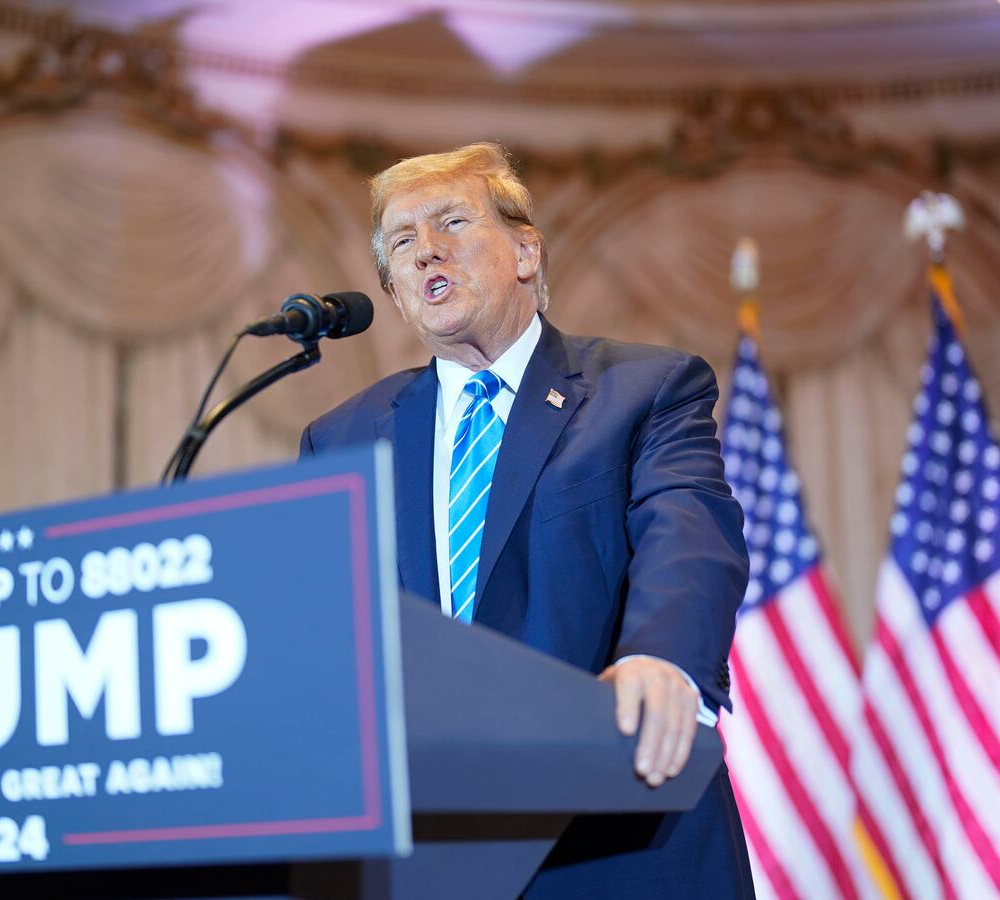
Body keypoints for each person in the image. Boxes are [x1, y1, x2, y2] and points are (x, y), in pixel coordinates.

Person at [299, 142, 754, 898]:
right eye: (402, 244)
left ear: (524, 250)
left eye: (451, 222)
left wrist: (663, 658)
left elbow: (690, 532)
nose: (425, 252)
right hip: (433, 844)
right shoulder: (344, 437)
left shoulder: (642, 389)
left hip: (617, 826)